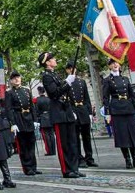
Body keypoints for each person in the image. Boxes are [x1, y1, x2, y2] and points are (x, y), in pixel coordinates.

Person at [38, 51, 83, 179]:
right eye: (53, 59)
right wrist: (67, 82)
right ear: (47, 62)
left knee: (72, 142)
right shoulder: (46, 76)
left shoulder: (54, 75)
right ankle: (67, 170)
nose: (55, 60)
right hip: (58, 112)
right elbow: (54, 94)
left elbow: (64, 93)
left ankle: (75, 168)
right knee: (64, 144)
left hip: (66, 110)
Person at [102, 58, 135, 169]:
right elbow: (106, 97)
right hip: (117, 109)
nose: (115, 65)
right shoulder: (107, 80)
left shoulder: (125, 78)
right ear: (109, 66)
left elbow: (132, 95)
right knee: (123, 136)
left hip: (128, 107)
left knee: (132, 134)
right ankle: (128, 159)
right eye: (112, 63)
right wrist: (107, 112)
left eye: (116, 63)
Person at [5, 69, 41, 176]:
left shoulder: (26, 90)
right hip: (18, 118)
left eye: (18, 77)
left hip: (28, 117)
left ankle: (33, 166)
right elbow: (8, 109)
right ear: (11, 81)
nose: (16, 79)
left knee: (31, 143)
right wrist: (13, 123)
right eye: (14, 78)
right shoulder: (9, 93)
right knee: (23, 144)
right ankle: (27, 167)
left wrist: (35, 120)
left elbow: (32, 106)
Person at [65, 61, 98, 168]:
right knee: (76, 137)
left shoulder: (82, 82)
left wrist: (89, 113)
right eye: (70, 68)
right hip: (74, 110)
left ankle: (89, 158)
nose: (72, 70)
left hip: (83, 110)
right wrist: (70, 111)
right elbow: (65, 100)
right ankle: (79, 158)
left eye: (74, 68)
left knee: (86, 136)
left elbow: (87, 98)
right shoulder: (65, 82)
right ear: (67, 70)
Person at [35, 86, 56, 156]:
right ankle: (53, 150)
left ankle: (49, 151)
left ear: (39, 92)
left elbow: (37, 111)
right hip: (50, 117)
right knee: (52, 135)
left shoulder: (38, 100)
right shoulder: (48, 99)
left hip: (43, 118)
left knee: (46, 136)